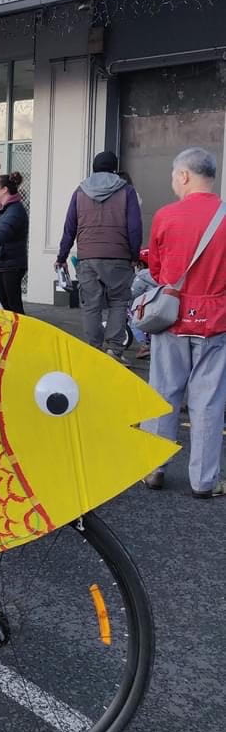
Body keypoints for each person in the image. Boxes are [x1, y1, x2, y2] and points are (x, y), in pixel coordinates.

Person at [140, 148, 226, 498]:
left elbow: (157, 271)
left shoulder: (166, 216)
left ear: (185, 176)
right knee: (209, 401)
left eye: (174, 176)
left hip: (172, 318)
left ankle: (153, 467)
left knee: (163, 392)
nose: (173, 182)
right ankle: (204, 481)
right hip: (216, 319)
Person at [56, 150, 142, 362]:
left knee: (91, 305)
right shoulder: (126, 191)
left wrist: (62, 256)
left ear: (94, 167)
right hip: (119, 257)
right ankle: (114, 350)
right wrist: (134, 254)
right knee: (119, 303)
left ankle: (93, 351)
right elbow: (134, 227)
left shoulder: (80, 191)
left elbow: (70, 227)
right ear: (115, 167)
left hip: (88, 258)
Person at [0, 171, 29, 314]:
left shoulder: (15, 211)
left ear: (4, 190)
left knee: (13, 306)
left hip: (12, 264)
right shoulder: (2, 209)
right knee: (5, 303)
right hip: (1, 263)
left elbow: (0, 235)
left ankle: (23, 332)